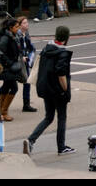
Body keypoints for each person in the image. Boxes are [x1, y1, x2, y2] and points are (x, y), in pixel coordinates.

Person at [23, 25, 73, 156]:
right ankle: (61, 147)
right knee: (61, 117)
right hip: (58, 91)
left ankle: (30, 140)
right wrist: (65, 89)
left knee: (48, 117)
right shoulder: (62, 53)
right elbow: (61, 74)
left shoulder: (47, 49)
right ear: (66, 37)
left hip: (46, 89)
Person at [0, 16, 22, 121]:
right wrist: (9, 62)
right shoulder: (5, 38)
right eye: (16, 27)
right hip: (6, 67)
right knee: (14, 88)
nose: (18, 28)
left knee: (6, 87)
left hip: (9, 66)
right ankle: (3, 112)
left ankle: (1, 112)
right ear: (10, 28)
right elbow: (1, 52)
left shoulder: (13, 36)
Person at [16, 16, 37, 113]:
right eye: (24, 23)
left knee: (27, 82)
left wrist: (29, 58)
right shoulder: (17, 35)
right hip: (17, 62)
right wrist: (21, 57)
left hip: (25, 62)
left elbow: (30, 47)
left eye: (27, 22)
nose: (27, 24)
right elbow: (15, 50)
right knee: (9, 85)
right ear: (19, 26)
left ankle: (26, 104)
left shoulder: (26, 34)